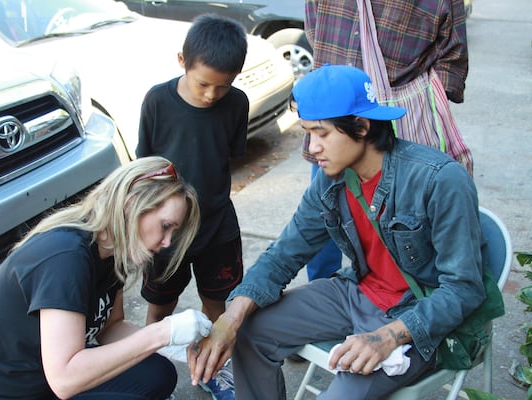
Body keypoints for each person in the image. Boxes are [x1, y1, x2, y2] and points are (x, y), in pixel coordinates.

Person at [187, 65, 486, 399]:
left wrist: (388, 337)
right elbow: (284, 254)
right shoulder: (330, 183)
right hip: (356, 292)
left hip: (414, 313)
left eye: (322, 133)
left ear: (361, 126)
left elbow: (464, 290)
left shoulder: (440, 179)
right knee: (248, 330)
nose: (312, 147)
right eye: (307, 133)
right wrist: (231, 316)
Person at [0, 156, 212, 400]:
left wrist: (172, 345)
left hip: (45, 379)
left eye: (173, 232)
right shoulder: (65, 256)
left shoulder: (112, 253)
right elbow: (65, 379)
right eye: (165, 225)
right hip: (2, 391)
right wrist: (160, 333)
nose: (167, 242)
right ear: (131, 204)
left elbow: (110, 328)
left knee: (158, 373)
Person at [301, 0, 473, 281]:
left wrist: (420, 95)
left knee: (405, 223)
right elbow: (315, 27)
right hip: (332, 118)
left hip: (402, 116)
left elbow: (453, 54)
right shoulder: (324, 141)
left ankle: (407, 295)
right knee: (325, 216)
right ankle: (330, 293)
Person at [135, 13, 248, 400]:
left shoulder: (237, 103)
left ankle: (211, 367)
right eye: (204, 84)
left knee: (216, 302)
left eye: (223, 86)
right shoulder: (157, 100)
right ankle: (148, 366)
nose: (211, 95)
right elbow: (145, 166)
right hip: (169, 227)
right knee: (158, 302)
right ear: (182, 61)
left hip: (217, 223)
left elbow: (230, 155)